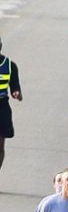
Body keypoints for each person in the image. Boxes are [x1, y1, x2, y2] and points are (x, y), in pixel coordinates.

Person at [0, 36, 22, 171]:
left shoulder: (9, 65)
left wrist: (17, 94)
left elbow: (15, 88)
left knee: (0, 146)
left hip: (1, 107)